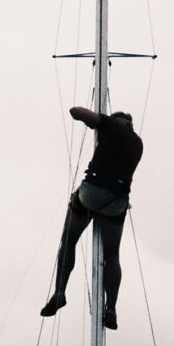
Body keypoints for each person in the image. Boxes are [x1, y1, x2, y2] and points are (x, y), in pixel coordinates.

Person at [41, 105, 141, 330]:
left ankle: (60, 292)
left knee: (69, 240)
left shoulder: (111, 126)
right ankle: (111, 307)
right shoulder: (138, 143)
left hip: (92, 194)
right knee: (112, 255)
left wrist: (97, 121)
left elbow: (75, 111)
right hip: (117, 202)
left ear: (115, 122)